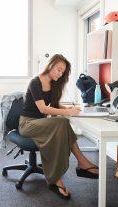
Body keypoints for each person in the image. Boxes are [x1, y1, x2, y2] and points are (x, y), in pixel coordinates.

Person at [19, 54, 99, 200]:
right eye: (58, 70)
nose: (60, 74)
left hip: (41, 124)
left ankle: (80, 163)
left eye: (62, 72)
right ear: (50, 65)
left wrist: (69, 108)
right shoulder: (35, 82)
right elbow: (43, 109)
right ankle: (70, 170)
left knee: (64, 124)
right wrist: (67, 112)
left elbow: (54, 106)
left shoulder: (54, 84)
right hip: (27, 124)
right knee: (63, 122)